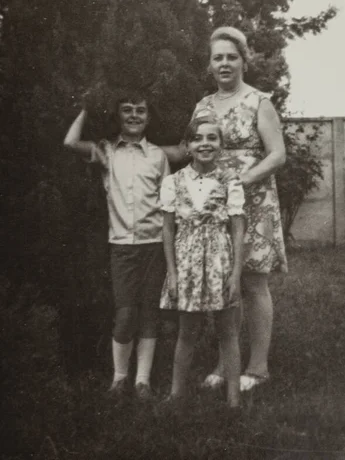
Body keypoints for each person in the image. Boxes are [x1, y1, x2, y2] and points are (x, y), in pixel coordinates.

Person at [163, 26, 287, 392]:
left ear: (243, 61)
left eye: (232, 56)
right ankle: (225, 363)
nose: (225, 63)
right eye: (218, 57)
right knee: (221, 283)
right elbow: (190, 149)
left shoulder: (259, 101)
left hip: (254, 199)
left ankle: (258, 367)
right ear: (209, 64)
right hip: (211, 204)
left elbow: (278, 154)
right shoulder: (203, 105)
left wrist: (242, 181)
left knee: (252, 281)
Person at [63, 90, 170, 400]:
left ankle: (142, 382)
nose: (134, 115)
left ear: (149, 117)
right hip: (122, 246)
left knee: (149, 313)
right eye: (127, 110)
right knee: (125, 313)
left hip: (153, 245)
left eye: (140, 110)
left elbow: (166, 206)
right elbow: (70, 142)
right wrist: (85, 108)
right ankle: (119, 378)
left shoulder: (157, 156)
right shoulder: (107, 151)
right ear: (118, 116)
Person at [160, 117, 245, 407]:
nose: (205, 144)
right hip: (187, 263)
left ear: (221, 145)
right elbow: (168, 228)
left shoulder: (230, 180)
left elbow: (237, 227)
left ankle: (233, 399)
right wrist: (172, 273)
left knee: (227, 330)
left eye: (212, 138)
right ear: (187, 146)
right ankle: (176, 394)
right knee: (187, 331)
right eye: (198, 138)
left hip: (220, 261)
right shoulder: (173, 182)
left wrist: (235, 274)